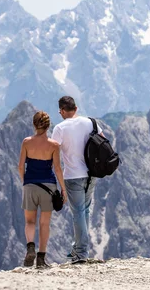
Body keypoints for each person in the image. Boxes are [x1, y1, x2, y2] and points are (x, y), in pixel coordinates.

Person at [51, 96, 103, 264]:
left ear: (62, 111)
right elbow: (102, 140)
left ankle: (81, 252)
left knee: (78, 212)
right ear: (76, 108)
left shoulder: (59, 128)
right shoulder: (91, 122)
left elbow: (53, 152)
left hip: (73, 176)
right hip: (91, 174)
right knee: (85, 211)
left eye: (60, 111)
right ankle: (78, 247)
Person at [18, 111, 66, 268]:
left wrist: (26, 182)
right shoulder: (54, 145)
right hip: (48, 188)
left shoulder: (26, 142)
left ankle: (30, 246)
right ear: (48, 126)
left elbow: (20, 166)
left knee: (30, 221)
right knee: (44, 223)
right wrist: (63, 189)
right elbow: (58, 168)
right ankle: (41, 259)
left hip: (30, 186)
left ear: (34, 124)